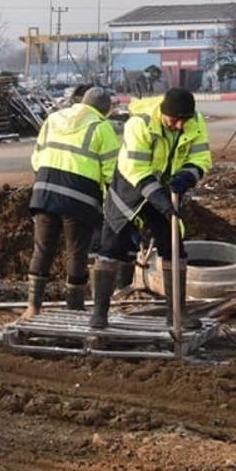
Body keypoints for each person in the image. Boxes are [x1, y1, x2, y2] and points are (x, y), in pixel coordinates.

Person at [90, 88, 212, 329]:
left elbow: (201, 158)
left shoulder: (194, 122)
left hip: (165, 185)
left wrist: (187, 176)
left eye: (183, 121)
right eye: (173, 120)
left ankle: (176, 313)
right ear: (163, 113)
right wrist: (161, 201)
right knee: (113, 244)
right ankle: (99, 314)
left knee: (173, 245)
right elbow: (136, 168)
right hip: (130, 186)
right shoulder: (140, 123)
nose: (178, 126)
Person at [24, 87, 120, 318]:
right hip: (80, 199)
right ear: (104, 111)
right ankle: (74, 310)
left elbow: (36, 159)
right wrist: (110, 205)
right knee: (76, 253)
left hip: (44, 193)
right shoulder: (102, 127)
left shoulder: (53, 118)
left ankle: (32, 307)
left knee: (42, 249)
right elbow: (111, 172)